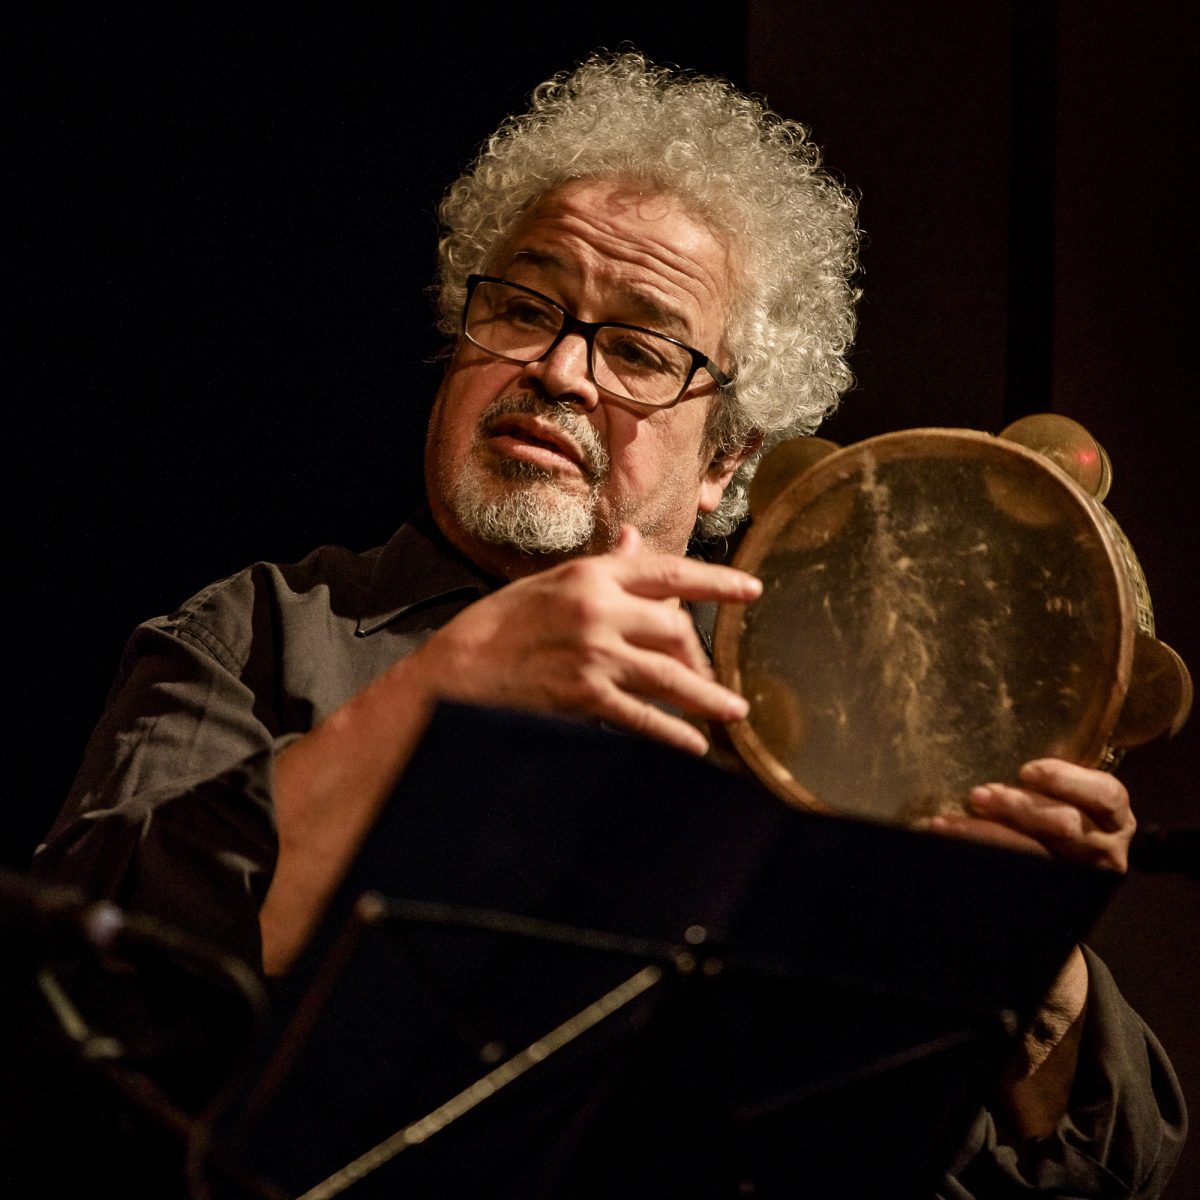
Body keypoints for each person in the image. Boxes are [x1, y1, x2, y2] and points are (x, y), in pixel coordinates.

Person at [32, 50, 1184, 1196]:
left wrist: (1030, 974)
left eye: (638, 348)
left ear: (727, 460)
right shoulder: (257, 631)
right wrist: (441, 694)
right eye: (524, 309)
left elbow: (1079, 1181)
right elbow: (68, 999)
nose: (561, 369)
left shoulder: (811, 758)